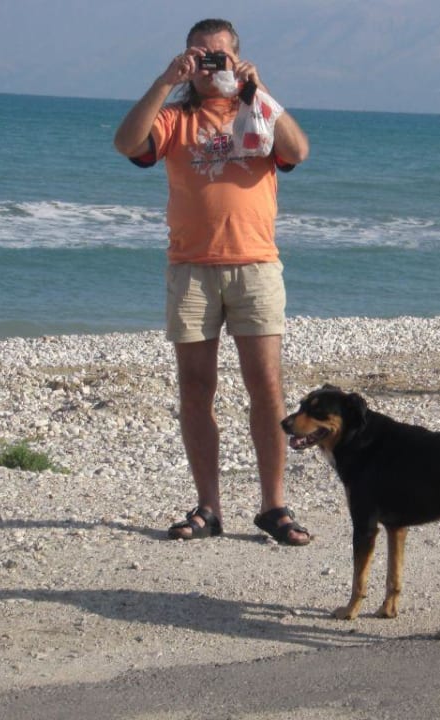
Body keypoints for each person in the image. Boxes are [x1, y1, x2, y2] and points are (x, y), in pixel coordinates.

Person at [114, 18, 311, 545]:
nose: (209, 65)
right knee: (197, 389)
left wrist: (258, 87)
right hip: (191, 269)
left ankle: (274, 506)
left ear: (238, 58)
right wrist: (163, 81)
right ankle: (209, 507)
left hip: (255, 266)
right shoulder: (176, 117)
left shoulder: (257, 113)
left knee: (266, 389)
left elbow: (298, 151)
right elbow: (126, 143)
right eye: (198, 56)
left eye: (218, 55)